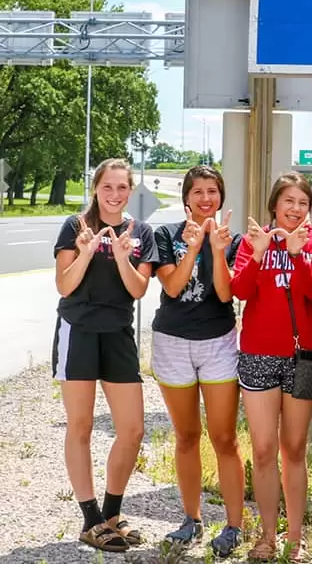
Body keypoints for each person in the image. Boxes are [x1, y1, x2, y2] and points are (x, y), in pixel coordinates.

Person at [53, 158, 158, 553]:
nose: (114, 195)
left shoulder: (140, 232)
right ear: (96, 188)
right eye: (107, 187)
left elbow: (138, 291)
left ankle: (112, 513)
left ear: (130, 190)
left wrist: (119, 254)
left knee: (132, 430)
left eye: (122, 188)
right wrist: (86, 250)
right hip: (77, 331)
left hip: (117, 334)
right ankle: (90, 519)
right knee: (79, 426)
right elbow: (64, 286)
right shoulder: (74, 226)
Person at [231, 172, 312, 562]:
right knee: (262, 449)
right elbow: (240, 291)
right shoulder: (252, 241)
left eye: (302, 203)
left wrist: (296, 253)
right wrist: (259, 253)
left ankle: (294, 537)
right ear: (275, 205)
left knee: (294, 448)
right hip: (259, 354)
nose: (295, 209)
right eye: (288, 201)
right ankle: (266, 535)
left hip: (304, 356)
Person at [149, 166, 246, 557]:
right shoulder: (165, 235)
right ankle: (191, 520)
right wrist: (191, 247)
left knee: (224, 438)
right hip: (172, 342)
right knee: (187, 436)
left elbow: (225, 295)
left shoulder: (231, 239)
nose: (206, 199)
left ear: (221, 197)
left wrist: (217, 249)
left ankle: (234, 525)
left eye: (213, 192)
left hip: (218, 343)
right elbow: (172, 286)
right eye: (198, 192)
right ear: (186, 197)